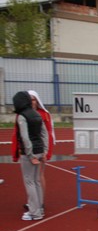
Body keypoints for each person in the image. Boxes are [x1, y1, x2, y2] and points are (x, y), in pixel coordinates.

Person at [11, 91, 48, 221]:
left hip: (29, 153)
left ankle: (35, 212)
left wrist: (30, 154)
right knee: (36, 180)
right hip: (39, 150)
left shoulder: (22, 116)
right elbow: (44, 134)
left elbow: (25, 138)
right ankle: (39, 208)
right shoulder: (37, 114)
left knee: (29, 181)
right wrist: (44, 151)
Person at [27, 90, 54, 210]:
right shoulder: (24, 114)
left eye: (33, 99)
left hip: (40, 148)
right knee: (30, 178)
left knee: (38, 175)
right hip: (28, 150)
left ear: (37, 101)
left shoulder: (44, 114)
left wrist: (46, 151)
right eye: (29, 99)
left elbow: (48, 133)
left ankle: (40, 202)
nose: (31, 102)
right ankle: (33, 201)